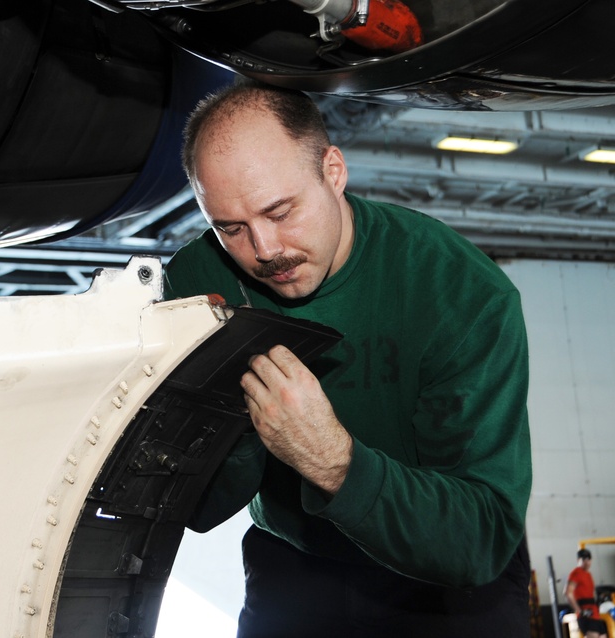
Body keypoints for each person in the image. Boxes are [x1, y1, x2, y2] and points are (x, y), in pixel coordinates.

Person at [163, 81, 533, 637]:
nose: (265, 250)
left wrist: (333, 461)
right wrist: (239, 424)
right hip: (295, 564)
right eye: (230, 227)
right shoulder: (199, 284)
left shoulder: (460, 293)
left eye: (281, 211)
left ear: (333, 171)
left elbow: (480, 540)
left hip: (446, 580)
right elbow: (195, 509)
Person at [567, 549, 609, 638]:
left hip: (595, 614)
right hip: (586, 615)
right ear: (578, 560)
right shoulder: (576, 573)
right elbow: (568, 593)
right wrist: (579, 611)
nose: (587, 562)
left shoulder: (588, 574)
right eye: (584, 559)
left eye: (588, 559)